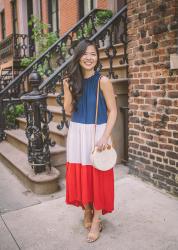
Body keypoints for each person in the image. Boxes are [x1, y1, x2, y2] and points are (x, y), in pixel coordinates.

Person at [63, 39, 117, 243]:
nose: (89, 57)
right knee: (82, 174)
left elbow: (113, 111)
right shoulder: (69, 81)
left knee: (99, 176)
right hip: (77, 132)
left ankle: (96, 219)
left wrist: (105, 136)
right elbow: (69, 111)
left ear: (97, 57)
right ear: (78, 57)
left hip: (98, 133)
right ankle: (87, 209)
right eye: (84, 53)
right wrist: (68, 88)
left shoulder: (103, 81)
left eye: (93, 54)